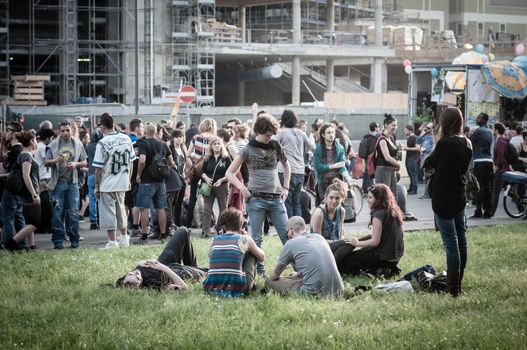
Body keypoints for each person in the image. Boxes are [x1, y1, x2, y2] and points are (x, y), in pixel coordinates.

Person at [225, 114, 290, 275]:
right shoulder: (247, 149)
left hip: (276, 198)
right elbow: (229, 173)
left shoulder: (275, 145)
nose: (270, 138)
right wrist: (242, 188)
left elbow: (287, 166)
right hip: (256, 199)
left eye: (271, 135)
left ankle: (298, 268)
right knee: (257, 238)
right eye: (267, 135)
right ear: (258, 131)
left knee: (287, 236)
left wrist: (286, 187)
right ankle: (259, 272)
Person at [424, 107, 472, 297]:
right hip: (459, 195)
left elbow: (430, 162)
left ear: (445, 123)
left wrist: (437, 141)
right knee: (461, 242)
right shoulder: (467, 142)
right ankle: (458, 283)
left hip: (443, 197)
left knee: (451, 244)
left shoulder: (444, 143)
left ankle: (453, 289)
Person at [332, 184, 405, 277]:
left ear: (378, 199)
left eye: (370, 198)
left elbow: (375, 242)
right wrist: (361, 240)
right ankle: (387, 268)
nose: (367, 200)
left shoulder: (378, 215)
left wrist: (356, 243)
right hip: (395, 258)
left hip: (384, 259)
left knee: (347, 260)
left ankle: (379, 270)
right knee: (362, 251)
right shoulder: (393, 210)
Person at [265, 216, 344, 298]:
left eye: (286, 234)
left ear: (290, 231)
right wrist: (299, 274)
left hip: (312, 294)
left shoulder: (290, 243)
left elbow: (274, 276)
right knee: (296, 278)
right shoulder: (319, 237)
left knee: (269, 281)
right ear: (305, 228)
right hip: (338, 291)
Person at [93, 113, 136, 249]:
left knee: (109, 212)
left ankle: (112, 242)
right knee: (121, 210)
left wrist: (97, 186)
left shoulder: (102, 142)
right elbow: (131, 163)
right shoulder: (126, 138)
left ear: (102, 126)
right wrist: (128, 180)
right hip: (122, 180)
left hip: (108, 182)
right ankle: (124, 238)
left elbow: (98, 168)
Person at [116, 227, 206, 290]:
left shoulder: (129, 276)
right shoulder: (153, 283)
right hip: (176, 272)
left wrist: (139, 263)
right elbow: (184, 287)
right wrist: (163, 268)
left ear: (128, 274)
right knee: (208, 272)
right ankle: (195, 269)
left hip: (165, 262)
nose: (137, 274)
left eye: (134, 273)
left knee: (183, 231)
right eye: (138, 279)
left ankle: (193, 266)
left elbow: (134, 274)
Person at [203, 208, 265, 297]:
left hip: (211, 287)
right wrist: (247, 239)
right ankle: (250, 285)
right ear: (241, 225)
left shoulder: (214, 239)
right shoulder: (245, 239)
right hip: (237, 288)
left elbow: (210, 255)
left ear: (223, 226)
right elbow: (261, 256)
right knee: (252, 253)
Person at [45, 120, 88, 249]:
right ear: (59, 131)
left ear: (71, 131)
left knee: (73, 212)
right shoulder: (53, 145)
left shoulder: (78, 144)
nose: (65, 133)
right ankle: (58, 240)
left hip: (73, 183)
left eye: (67, 130)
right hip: (58, 183)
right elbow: (46, 162)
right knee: (57, 213)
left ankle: (74, 239)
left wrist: (76, 164)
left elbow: (85, 162)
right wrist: (55, 160)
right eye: (62, 130)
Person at [2, 131, 41, 251]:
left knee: (29, 221)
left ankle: (31, 245)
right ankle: (11, 243)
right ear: (30, 141)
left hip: (28, 192)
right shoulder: (26, 156)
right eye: (34, 140)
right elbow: (26, 176)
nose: (36, 142)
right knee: (35, 223)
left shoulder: (26, 154)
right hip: (30, 192)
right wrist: (34, 194)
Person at [135, 124, 174, 240]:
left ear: (145, 132)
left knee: (144, 208)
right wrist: (165, 172)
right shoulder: (162, 144)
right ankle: (163, 235)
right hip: (160, 181)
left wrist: (138, 174)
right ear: (156, 132)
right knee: (161, 208)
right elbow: (171, 161)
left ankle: (144, 235)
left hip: (146, 180)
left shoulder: (143, 144)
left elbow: (142, 160)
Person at [275, 110, 316, 218]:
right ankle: (298, 228)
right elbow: (313, 147)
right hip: (300, 171)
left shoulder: (281, 132)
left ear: (283, 120)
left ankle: (289, 229)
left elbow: (271, 145)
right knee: (296, 201)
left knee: (286, 200)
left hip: (285, 171)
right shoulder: (300, 133)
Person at [186, 118, 217, 228]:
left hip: (197, 170)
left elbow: (188, 154)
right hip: (209, 171)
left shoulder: (195, 138)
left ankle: (188, 223)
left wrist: (194, 163)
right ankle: (208, 224)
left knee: (192, 197)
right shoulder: (215, 139)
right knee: (209, 198)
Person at [200, 136, 231, 238]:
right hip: (208, 186)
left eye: (218, 144)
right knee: (207, 209)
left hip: (222, 186)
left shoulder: (226, 158)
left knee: (223, 209)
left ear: (221, 145)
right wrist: (206, 178)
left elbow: (231, 173)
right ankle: (205, 231)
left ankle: (220, 228)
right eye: (214, 144)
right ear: (211, 146)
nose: (217, 146)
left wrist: (221, 180)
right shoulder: (207, 158)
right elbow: (202, 171)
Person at [313, 124, 352, 203]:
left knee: (338, 204)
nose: (331, 135)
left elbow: (342, 165)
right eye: (329, 133)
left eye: (333, 132)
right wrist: (333, 166)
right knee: (325, 204)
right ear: (323, 135)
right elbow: (318, 167)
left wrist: (348, 178)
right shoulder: (318, 148)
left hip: (336, 181)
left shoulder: (340, 148)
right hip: (323, 181)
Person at [0, 122, 25, 245]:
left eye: (8, 131)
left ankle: (7, 243)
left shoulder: (16, 151)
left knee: (8, 217)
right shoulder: (16, 149)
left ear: (14, 134)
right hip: (17, 188)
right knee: (18, 217)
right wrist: (2, 143)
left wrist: (2, 175)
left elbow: (14, 173)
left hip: (12, 188)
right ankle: (22, 243)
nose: (6, 133)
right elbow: (2, 158)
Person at [469, 113, 494, 219]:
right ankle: (488, 211)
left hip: (479, 160)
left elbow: (469, 141)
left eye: (479, 118)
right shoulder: (490, 131)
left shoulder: (479, 131)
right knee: (487, 187)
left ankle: (478, 211)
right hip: (489, 160)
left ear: (484, 120)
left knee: (479, 187)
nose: (476, 119)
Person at [310, 178, 347, 243]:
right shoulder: (319, 214)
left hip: (336, 244)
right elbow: (318, 240)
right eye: (331, 197)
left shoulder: (341, 211)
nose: (334, 201)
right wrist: (338, 242)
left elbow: (341, 233)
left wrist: (343, 241)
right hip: (321, 247)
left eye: (337, 198)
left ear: (342, 199)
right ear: (326, 197)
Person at [34, 128, 56, 234]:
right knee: (47, 205)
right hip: (43, 178)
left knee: (44, 204)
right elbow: (46, 161)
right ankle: (46, 226)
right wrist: (57, 160)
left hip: (41, 177)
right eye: (51, 138)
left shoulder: (39, 146)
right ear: (47, 138)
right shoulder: (43, 147)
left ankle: (44, 226)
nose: (51, 141)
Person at [490, 122, 513, 216]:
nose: (492, 130)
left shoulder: (499, 141)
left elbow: (500, 156)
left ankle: (491, 212)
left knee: (495, 191)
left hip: (501, 170)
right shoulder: (505, 140)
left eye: (493, 128)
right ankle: (521, 207)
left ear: (496, 130)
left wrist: (496, 167)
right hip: (506, 168)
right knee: (509, 190)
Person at [374, 114, 400, 196]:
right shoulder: (382, 139)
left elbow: (393, 155)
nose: (395, 127)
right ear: (386, 125)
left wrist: (398, 149)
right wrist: (398, 165)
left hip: (391, 171)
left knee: (392, 197)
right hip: (383, 171)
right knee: (384, 197)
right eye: (393, 125)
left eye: (396, 125)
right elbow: (387, 158)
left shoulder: (391, 138)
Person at [86, 128, 103, 229]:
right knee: (101, 199)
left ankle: (93, 221)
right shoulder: (100, 146)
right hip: (99, 174)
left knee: (92, 199)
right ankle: (101, 220)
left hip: (90, 173)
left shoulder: (88, 146)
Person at [359, 122, 380, 192]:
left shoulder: (366, 136)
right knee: (370, 173)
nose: (379, 128)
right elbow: (372, 149)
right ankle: (369, 189)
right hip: (371, 157)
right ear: (375, 128)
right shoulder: (373, 137)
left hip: (366, 157)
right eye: (378, 126)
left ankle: (364, 188)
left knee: (366, 172)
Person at [403, 125, 420, 195]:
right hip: (409, 157)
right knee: (410, 173)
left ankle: (414, 189)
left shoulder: (415, 137)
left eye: (406, 130)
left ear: (410, 130)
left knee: (413, 174)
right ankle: (411, 187)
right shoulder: (409, 138)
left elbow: (418, 148)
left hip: (413, 158)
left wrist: (408, 148)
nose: (404, 131)